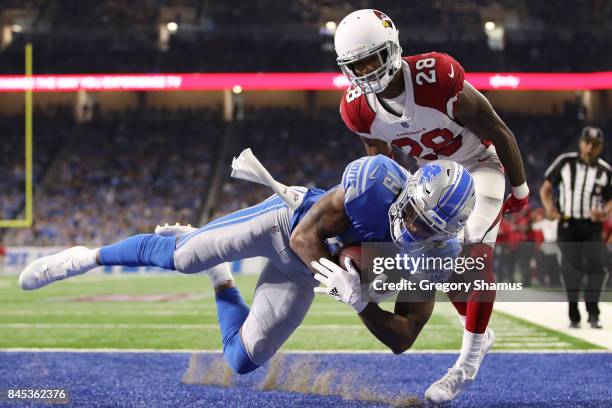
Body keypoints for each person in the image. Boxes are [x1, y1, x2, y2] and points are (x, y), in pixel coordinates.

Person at [19, 152, 481, 384]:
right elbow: (305, 238)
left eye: (428, 229)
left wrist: (360, 302)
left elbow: (403, 338)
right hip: (283, 228)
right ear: (411, 189)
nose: (415, 229)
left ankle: (219, 279)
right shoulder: (375, 183)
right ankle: (85, 257)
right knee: (179, 257)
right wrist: (335, 269)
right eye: (416, 214)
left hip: (305, 273)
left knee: (240, 361)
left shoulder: (438, 257)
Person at [333, 9, 529, 403]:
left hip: (478, 166)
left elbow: (498, 130)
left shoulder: (435, 76)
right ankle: (479, 331)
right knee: (441, 263)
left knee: (474, 252)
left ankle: (466, 366)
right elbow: (379, 166)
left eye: (373, 58)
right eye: (358, 64)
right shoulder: (358, 108)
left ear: (393, 49)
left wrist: (521, 192)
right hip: (431, 177)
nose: (368, 70)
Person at [540, 126, 612, 329]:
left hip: (592, 226)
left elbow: (610, 199)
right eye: (587, 142)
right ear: (581, 142)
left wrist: (605, 212)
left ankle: (593, 311)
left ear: (600, 147)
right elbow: (546, 189)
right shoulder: (565, 162)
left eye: (595, 144)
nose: (590, 147)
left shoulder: (605, 170)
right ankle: (573, 311)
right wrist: (549, 209)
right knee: (570, 269)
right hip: (567, 223)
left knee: (596, 268)